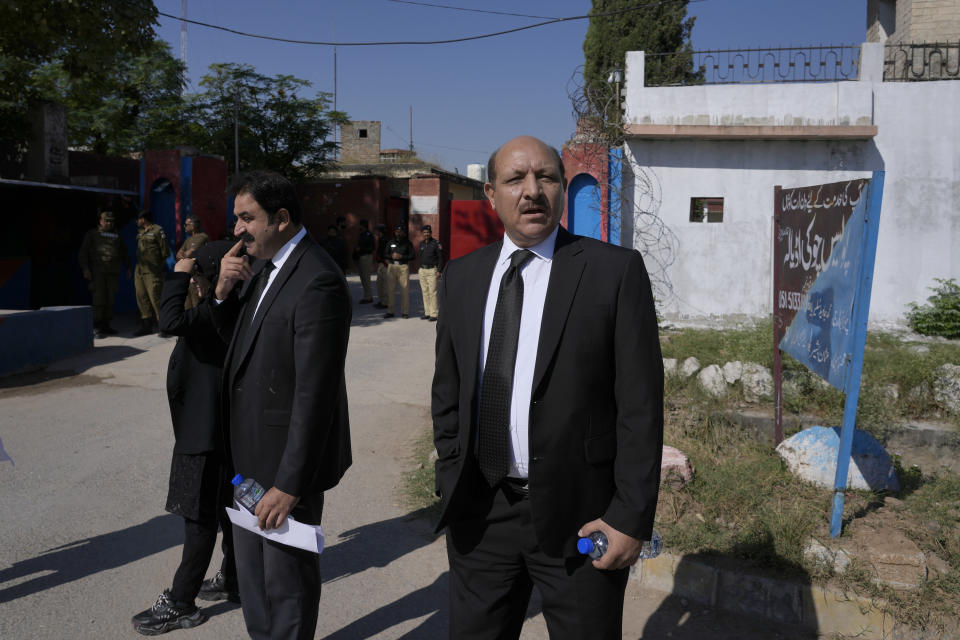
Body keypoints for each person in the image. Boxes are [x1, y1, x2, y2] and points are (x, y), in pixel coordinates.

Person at [431, 136, 664, 639]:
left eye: (547, 178)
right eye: (516, 180)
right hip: (483, 512)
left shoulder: (613, 272)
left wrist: (629, 516)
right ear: (490, 194)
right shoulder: (462, 277)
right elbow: (447, 392)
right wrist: (451, 471)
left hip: (581, 517)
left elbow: (640, 406)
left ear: (562, 188)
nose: (532, 191)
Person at [211, 170, 352, 640]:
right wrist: (222, 295)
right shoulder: (263, 270)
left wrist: (291, 484)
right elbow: (244, 354)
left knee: (285, 589)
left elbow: (317, 393)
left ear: (282, 218)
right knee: (254, 587)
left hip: (284, 471)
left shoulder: (317, 280)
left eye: (246, 218)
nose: (237, 231)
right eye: (236, 219)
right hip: (246, 463)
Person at [132, 240, 239, 636]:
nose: (194, 284)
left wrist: (177, 273)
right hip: (213, 430)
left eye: (198, 277)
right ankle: (234, 578)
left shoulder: (214, 313)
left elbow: (169, 321)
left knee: (200, 518)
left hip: (205, 436)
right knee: (229, 509)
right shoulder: (223, 310)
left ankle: (181, 602)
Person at [78, 210, 130, 339]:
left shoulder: (117, 235)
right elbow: (83, 253)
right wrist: (85, 269)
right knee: (99, 299)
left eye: (111, 221)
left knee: (110, 299)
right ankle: (96, 326)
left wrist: (128, 267)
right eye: (106, 221)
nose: (109, 223)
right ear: (100, 221)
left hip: (113, 272)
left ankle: (106, 324)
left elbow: (124, 252)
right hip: (98, 272)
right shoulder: (93, 234)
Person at [134, 210, 171, 336]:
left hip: (153, 271)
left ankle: (164, 326)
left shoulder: (157, 230)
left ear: (143, 219)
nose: (137, 222)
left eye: (138, 219)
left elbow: (165, 251)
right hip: (140, 269)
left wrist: (158, 267)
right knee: (141, 296)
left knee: (155, 297)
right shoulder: (140, 232)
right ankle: (146, 325)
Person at [177, 216, 210, 309]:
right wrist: (185, 254)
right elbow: (178, 254)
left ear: (193, 225)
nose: (184, 227)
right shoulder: (188, 240)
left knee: (197, 304)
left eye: (186, 224)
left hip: (197, 277)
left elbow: (190, 252)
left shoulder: (202, 237)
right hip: (188, 276)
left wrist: (185, 254)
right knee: (187, 305)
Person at [383, 224, 414, 319]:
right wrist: (391, 256)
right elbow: (385, 253)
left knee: (404, 290)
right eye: (397, 231)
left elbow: (412, 256)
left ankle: (405, 312)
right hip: (392, 267)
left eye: (400, 231)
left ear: (403, 232)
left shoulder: (408, 243)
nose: (398, 233)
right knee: (390, 290)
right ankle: (390, 311)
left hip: (403, 267)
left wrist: (401, 257)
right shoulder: (391, 242)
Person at [417, 224, 443, 321]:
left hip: (432, 270)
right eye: (424, 232)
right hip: (422, 270)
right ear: (422, 234)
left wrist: (439, 270)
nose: (426, 234)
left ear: (430, 233)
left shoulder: (436, 244)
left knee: (432, 292)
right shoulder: (421, 244)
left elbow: (441, 258)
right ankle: (427, 312)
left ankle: (434, 314)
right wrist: (419, 268)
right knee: (425, 292)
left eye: (428, 232)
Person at [353, 219, 375, 304]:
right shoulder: (362, 234)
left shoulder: (369, 235)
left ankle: (368, 297)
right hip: (361, 257)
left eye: (360, 225)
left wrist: (361, 249)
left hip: (366, 257)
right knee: (363, 278)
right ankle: (366, 295)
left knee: (366, 277)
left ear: (363, 226)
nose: (359, 227)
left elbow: (372, 247)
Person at [373, 224, 389, 309]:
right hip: (380, 263)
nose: (376, 232)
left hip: (385, 264)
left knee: (385, 284)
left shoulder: (386, 240)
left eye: (377, 231)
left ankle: (385, 302)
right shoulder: (381, 239)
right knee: (379, 284)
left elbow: (387, 252)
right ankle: (382, 300)